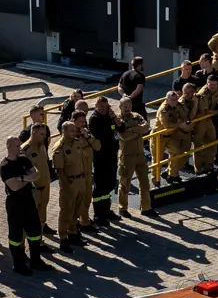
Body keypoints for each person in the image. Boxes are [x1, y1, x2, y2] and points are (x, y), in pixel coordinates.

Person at [0, 135, 51, 274]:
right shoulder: (5, 166)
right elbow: (14, 187)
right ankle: (18, 264)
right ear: (9, 147)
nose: (20, 148)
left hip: (28, 200)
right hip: (15, 203)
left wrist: (21, 178)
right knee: (16, 236)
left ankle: (35, 260)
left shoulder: (23, 159)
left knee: (35, 231)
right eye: (17, 146)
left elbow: (37, 174)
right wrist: (28, 178)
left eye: (20, 145)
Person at [55, 118, 95, 250]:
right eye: (71, 131)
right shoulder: (60, 148)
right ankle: (63, 238)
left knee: (77, 210)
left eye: (74, 130)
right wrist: (66, 187)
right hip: (69, 183)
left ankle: (73, 233)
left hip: (80, 180)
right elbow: (59, 170)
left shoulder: (77, 143)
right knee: (66, 211)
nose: (74, 132)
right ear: (64, 132)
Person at [114, 96, 154, 216]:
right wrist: (137, 131)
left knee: (145, 182)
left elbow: (146, 127)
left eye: (129, 106)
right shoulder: (117, 120)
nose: (127, 108)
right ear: (120, 107)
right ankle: (122, 208)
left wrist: (131, 130)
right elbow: (123, 136)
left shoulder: (136, 116)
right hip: (127, 156)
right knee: (125, 183)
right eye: (125, 106)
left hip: (140, 154)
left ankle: (146, 207)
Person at [87, 96, 119, 227]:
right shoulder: (95, 119)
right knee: (100, 186)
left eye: (106, 107)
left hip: (111, 155)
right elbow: (103, 137)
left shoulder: (108, 117)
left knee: (110, 184)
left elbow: (119, 128)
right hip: (101, 157)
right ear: (96, 106)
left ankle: (106, 210)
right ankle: (98, 214)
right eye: (101, 107)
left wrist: (113, 116)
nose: (104, 109)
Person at [22, 116, 55, 237]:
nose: (44, 137)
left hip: (45, 188)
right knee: (29, 218)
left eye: (45, 134)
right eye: (42, 134)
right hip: (34, 190)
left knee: (42, 217)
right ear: (34, 133)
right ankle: (22, 243)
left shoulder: (42, 147)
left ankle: (39, 240)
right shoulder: (25, 150)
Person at [156, 87, 192, 181]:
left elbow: (184, 115)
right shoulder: (163, 110)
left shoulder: (177, 105)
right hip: (159, 137)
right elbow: (166, 125)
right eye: (172, 100)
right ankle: (155, 180)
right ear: (166, 100)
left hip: (170, 135)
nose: (174, 101)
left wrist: (186, 122)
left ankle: (172, 175)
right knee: (157, 160)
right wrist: (180, 125)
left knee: (177, 153)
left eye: (176, 99)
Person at [192, 74, 218, 172]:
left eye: (214, 85)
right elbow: (205, 111)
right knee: (198, 145)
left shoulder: (217, 91)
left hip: (208, 119)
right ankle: (198, 168)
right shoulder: (203, 93)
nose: (212, 87)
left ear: (217, 84)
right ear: (207, 84)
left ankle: (209, 164)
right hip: (200, 120)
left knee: (212, 142)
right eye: (210, 84)